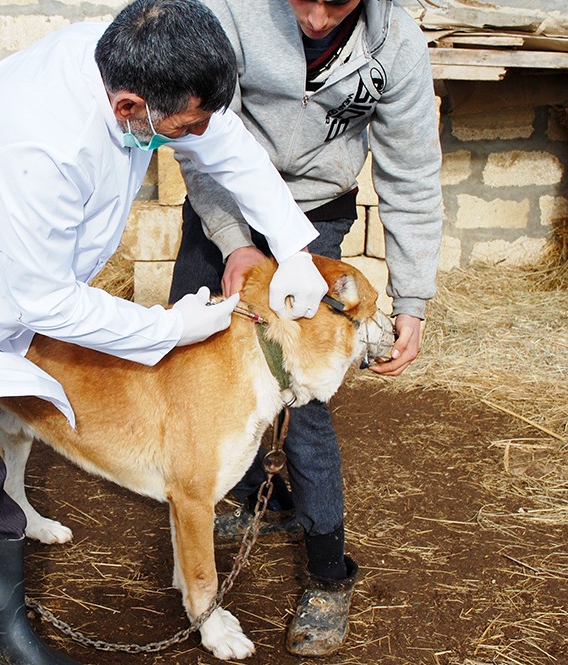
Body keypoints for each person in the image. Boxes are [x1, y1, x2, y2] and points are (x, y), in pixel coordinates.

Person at [0, 0, 330, 662]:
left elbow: (226, 145)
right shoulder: (36, 144)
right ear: (129, 107)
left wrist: (293, 246)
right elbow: (47, 301)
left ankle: (1, 639)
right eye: (182, 126)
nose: (194, 134)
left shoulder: (135, 61)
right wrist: (167, 326)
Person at [168, 0, 443, 658]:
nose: (318, 19)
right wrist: (234, 239)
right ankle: (222, 496)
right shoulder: (231, 13)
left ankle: (326, 570)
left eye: (338, 2)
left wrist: (414, 297)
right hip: (225, 199)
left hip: (315, 213)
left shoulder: (396, 44)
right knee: (188, 364)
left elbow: (410, 173)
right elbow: (197, 132)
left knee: (304, 395)